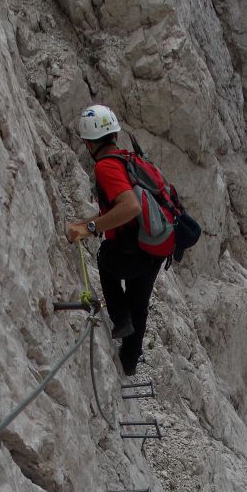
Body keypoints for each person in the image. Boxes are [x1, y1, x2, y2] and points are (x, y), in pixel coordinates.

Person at [66, 104, 165, 377]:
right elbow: (117, 208)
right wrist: (86, 223)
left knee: (106, 260)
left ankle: (120, 321)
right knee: (139, 302)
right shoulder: (126, 159)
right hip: (153, 246)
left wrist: (92, 228)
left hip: (133, 247)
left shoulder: (106, 167)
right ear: (113, 135)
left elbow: (129, 207)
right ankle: (130, 361)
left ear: (89, 143)